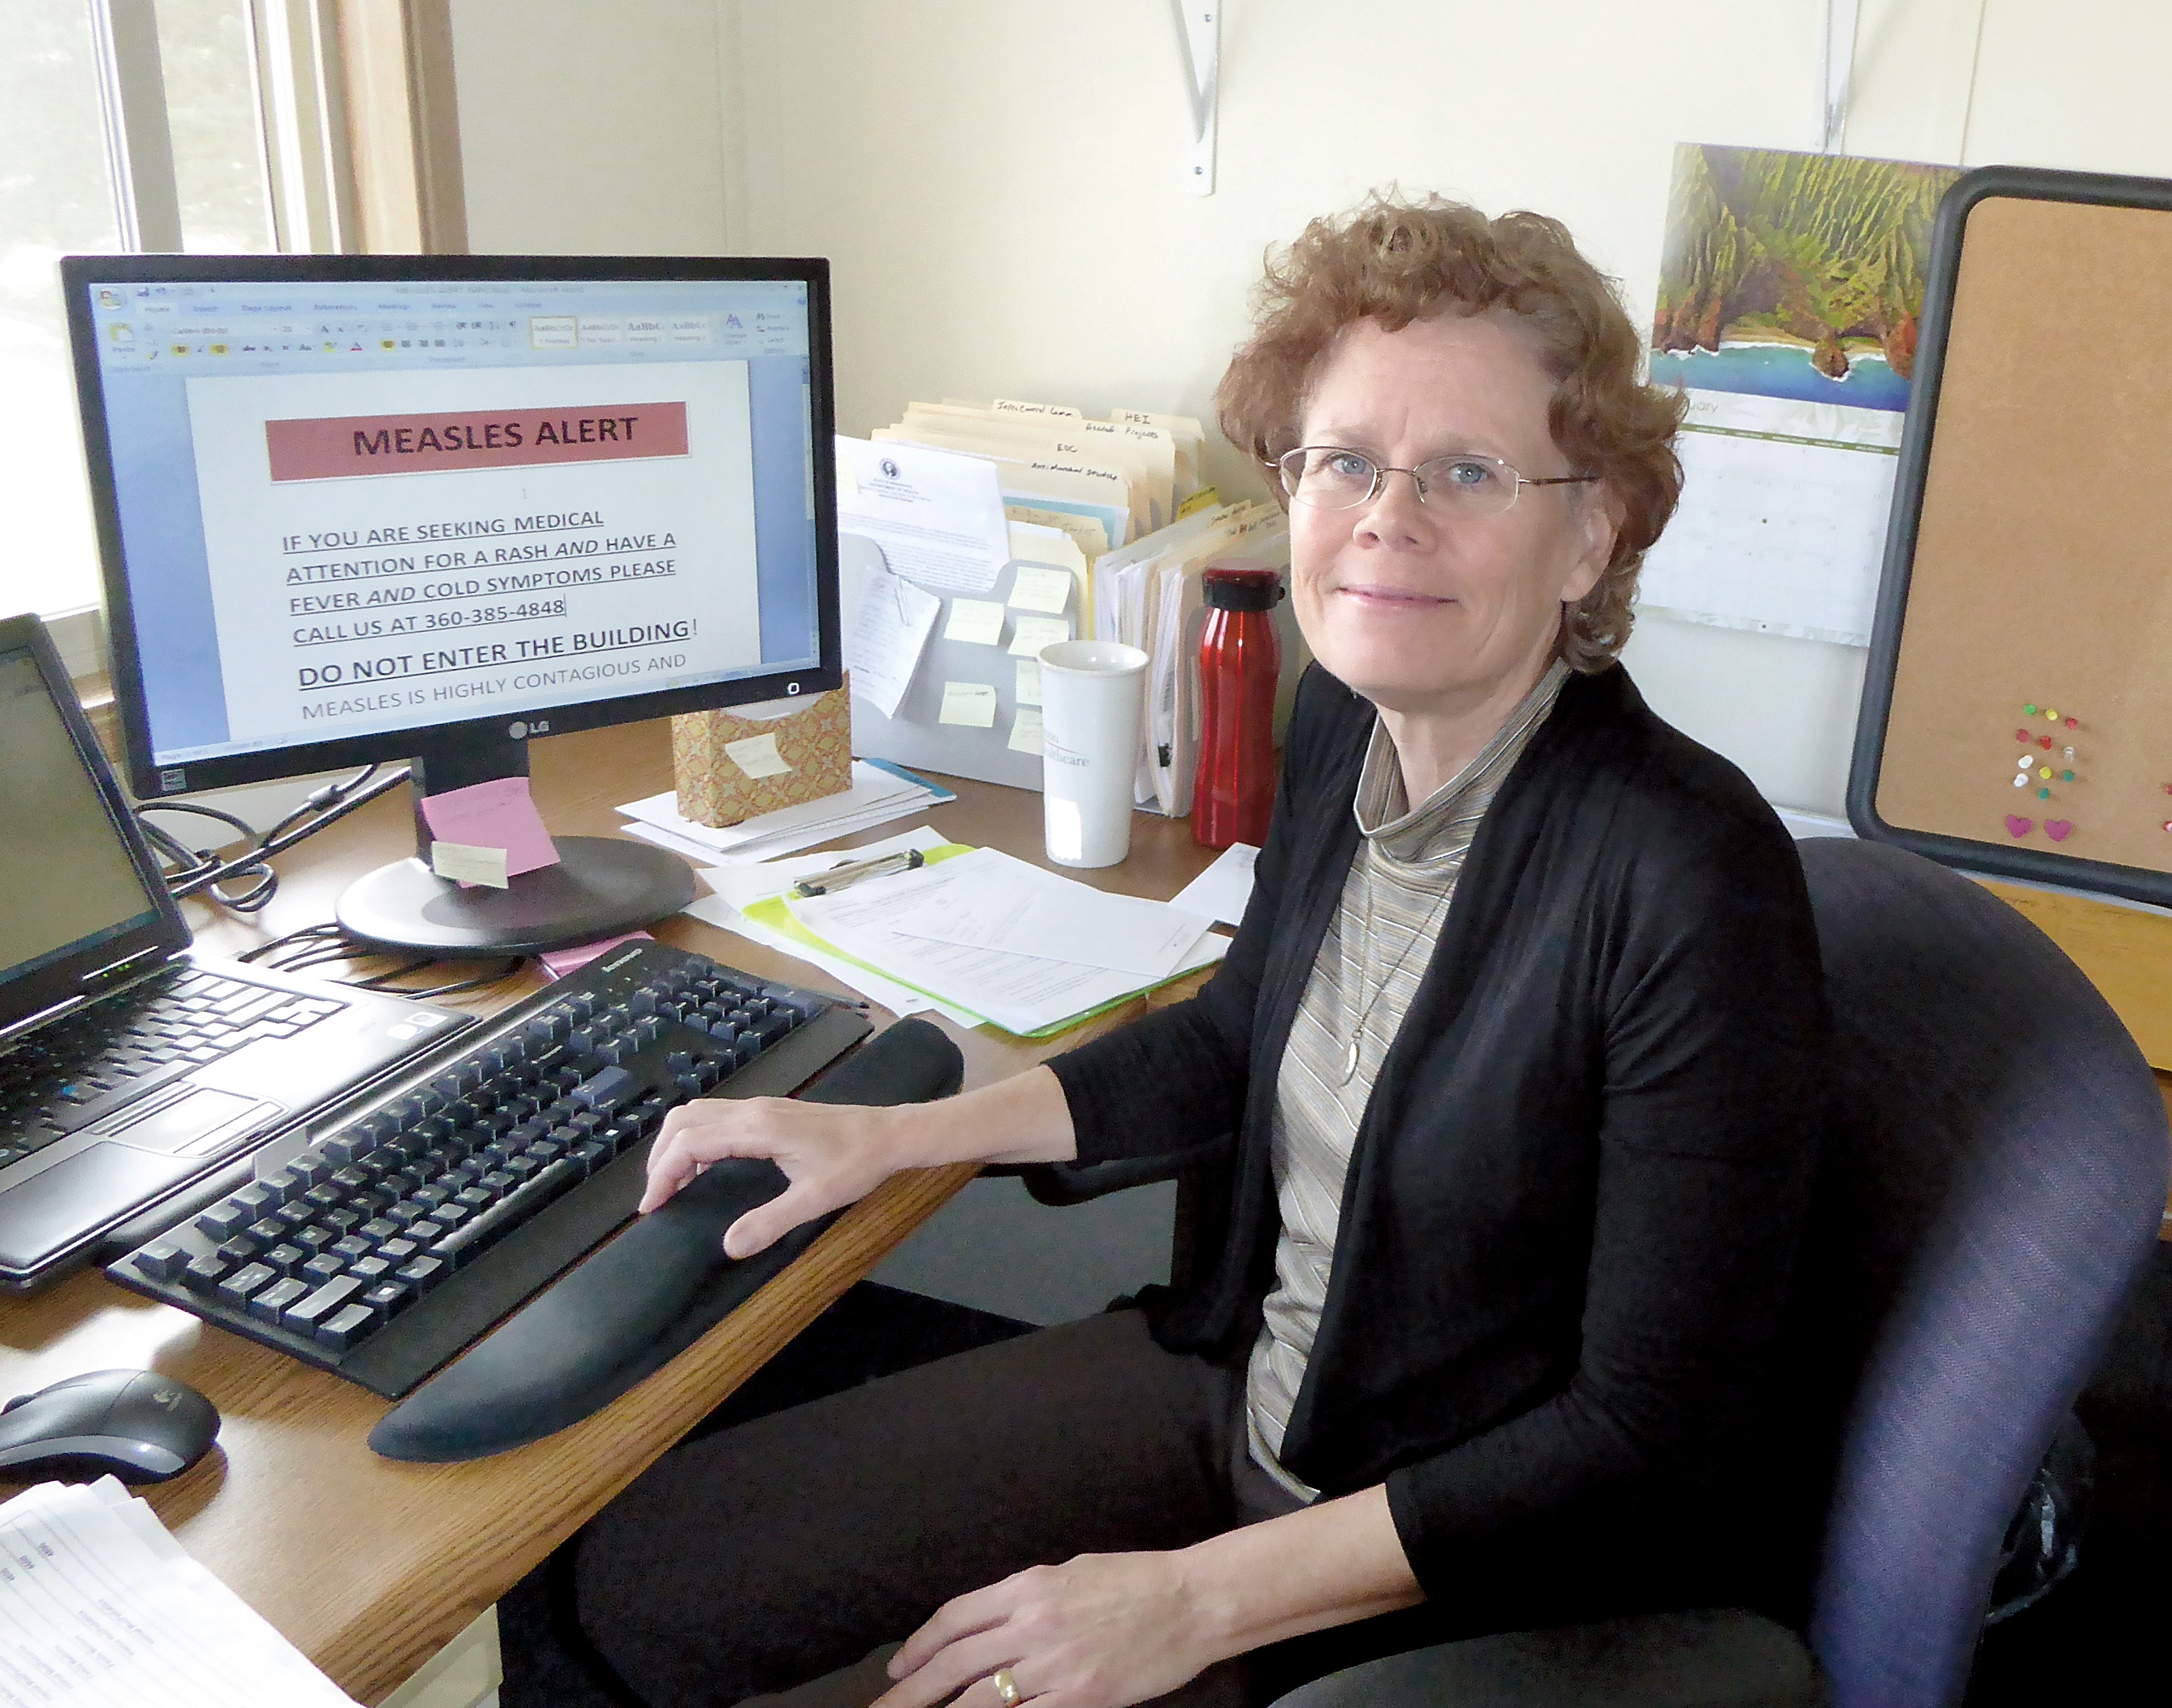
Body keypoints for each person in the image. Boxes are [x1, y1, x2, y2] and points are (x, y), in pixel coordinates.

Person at [572, 194, 1826, 1708]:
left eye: (1468, 472)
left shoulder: (1690, 879)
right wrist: (900, 1135)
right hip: (1240, 1391)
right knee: (658, 1581)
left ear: (1590, 534)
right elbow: (1235, 1039)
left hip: (1450, 1562)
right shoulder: (1345, 716)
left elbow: (1647, 1443)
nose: (1385, 516)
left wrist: (1190, 1605)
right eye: (1345, 459)